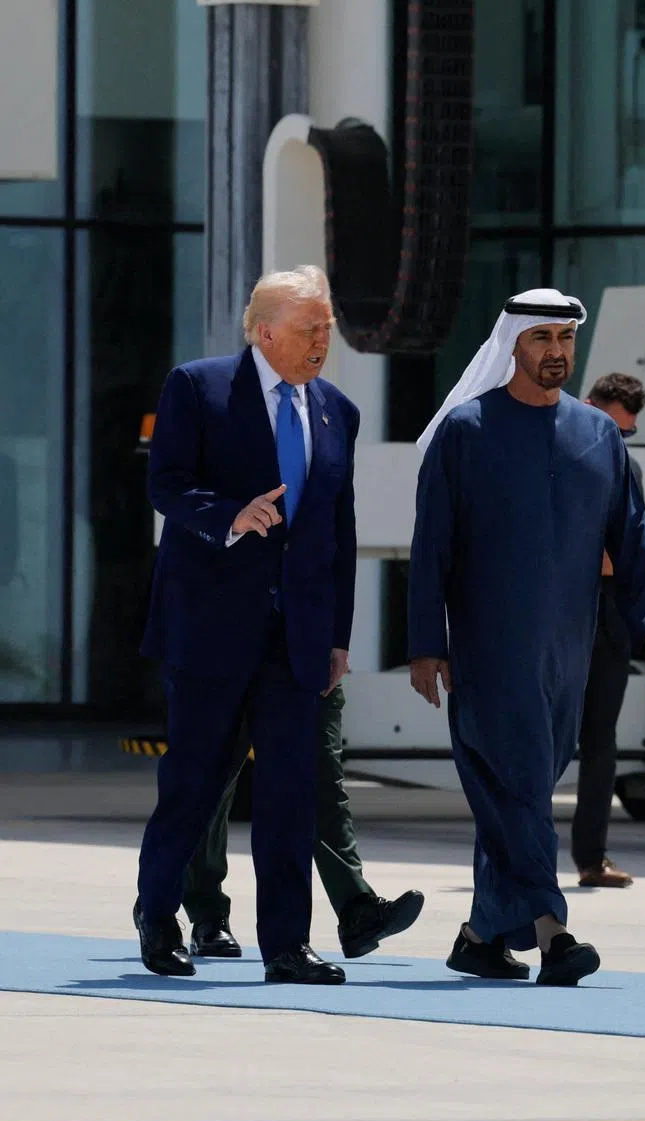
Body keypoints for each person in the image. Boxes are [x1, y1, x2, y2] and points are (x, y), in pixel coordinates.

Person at [407, 288, 645, 987]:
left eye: (565, 339)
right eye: (542, 339)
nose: (556, 352)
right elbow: (430, 546)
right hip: (489, 648)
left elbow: (635, 540)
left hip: (571, 651)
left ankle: (479, 937)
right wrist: (425, 642)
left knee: (521, 786)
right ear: (513, 346)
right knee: (521, 785)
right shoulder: (464, 432)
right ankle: (555, 935)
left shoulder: (597, 436)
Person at [135, 265, 360, 985]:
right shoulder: (198, 388)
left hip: (297, 639)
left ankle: (287, 946)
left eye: (327, 328)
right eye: (308, 329)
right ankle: (159, 915)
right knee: (193, 786)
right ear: (264, 332)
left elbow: (338, 533)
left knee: (290, 796)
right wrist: (229, 517)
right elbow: (165, 483)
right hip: (209, 629)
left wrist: (338, 637)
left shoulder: (336, 410)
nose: (322, 340)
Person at [180, 679, 424, 961]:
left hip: (308, 661)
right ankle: (205, 912)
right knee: (213, 788)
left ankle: (357, 910)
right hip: (237, 658)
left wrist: (337, 645)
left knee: (323, 786)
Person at [574, 373, 645, 889]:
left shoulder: (626, 467)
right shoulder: (553, 455)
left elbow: (635, 548)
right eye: (611, 428)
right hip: (555, 606)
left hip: (608, 610)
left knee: (601, 741)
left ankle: (591, 858)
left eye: (625, 433)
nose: (616, 441)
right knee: (539, 739)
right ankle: (514, 854)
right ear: (587, 408)